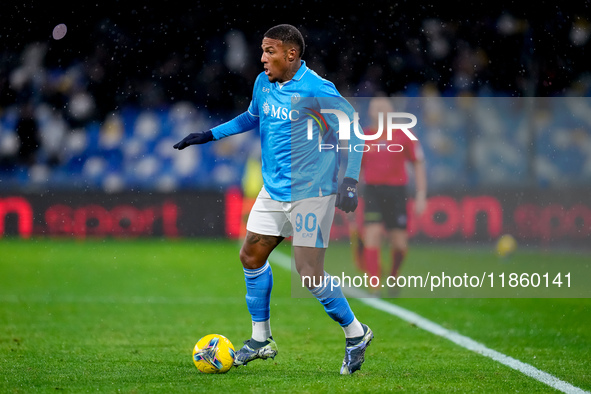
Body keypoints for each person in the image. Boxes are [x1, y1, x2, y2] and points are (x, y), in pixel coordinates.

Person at [174, 24, 373, 375]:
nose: (262, 58)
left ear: (291, 54)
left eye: (270, 51)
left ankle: (356, 334)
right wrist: (208, 134)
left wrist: (351, 181)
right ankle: (261, 338)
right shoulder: (263, 83)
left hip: (313, 192)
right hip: (274, 189)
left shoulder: (317, 89)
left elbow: (352, 129)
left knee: (309, 273)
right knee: (251, 255)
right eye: (262, 51)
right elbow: (252, 116)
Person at [358, 96, 427, 296]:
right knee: (373, 234)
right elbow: (356, 170)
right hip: (372, 191)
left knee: (400, 244)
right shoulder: (363, 136)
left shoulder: (404, 135)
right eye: (375, 107)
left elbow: (418, 164)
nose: (379, 111)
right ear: (370, 112)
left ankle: (393, 275)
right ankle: (374, 284)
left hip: (397, 192)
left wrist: (421, 194)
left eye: (383, 107)